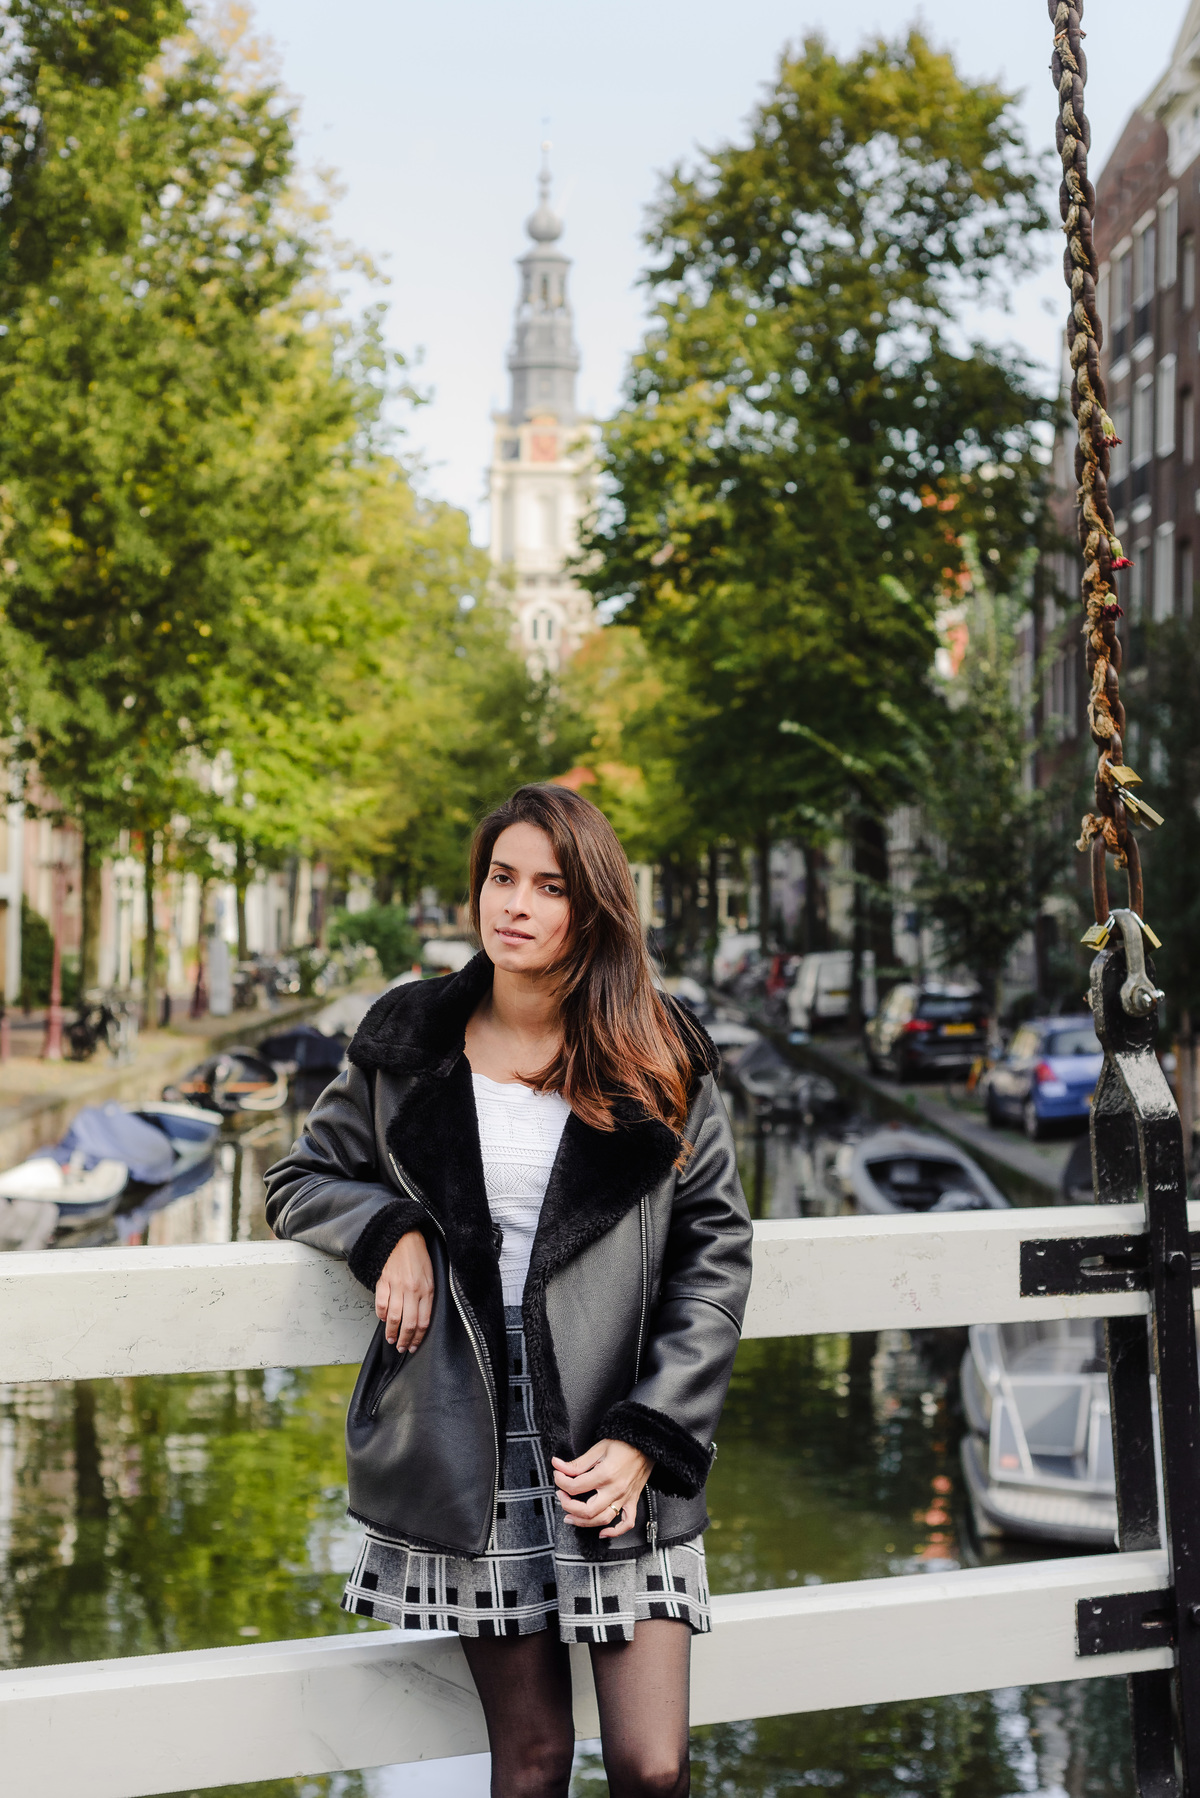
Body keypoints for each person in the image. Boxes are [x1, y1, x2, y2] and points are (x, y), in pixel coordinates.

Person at [264, 785, 753, 1798]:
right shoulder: (408, 1040)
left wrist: (649, 1433)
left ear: (594, 909)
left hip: (622, 1433)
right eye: (501, 876)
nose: (515, 904)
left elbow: (715, 1252)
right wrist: (388, 1228)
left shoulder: (662, 1052)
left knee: (651, 1765)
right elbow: (300, 1178)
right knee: (529, 1763)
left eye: (549, 886)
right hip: (472, 1441)